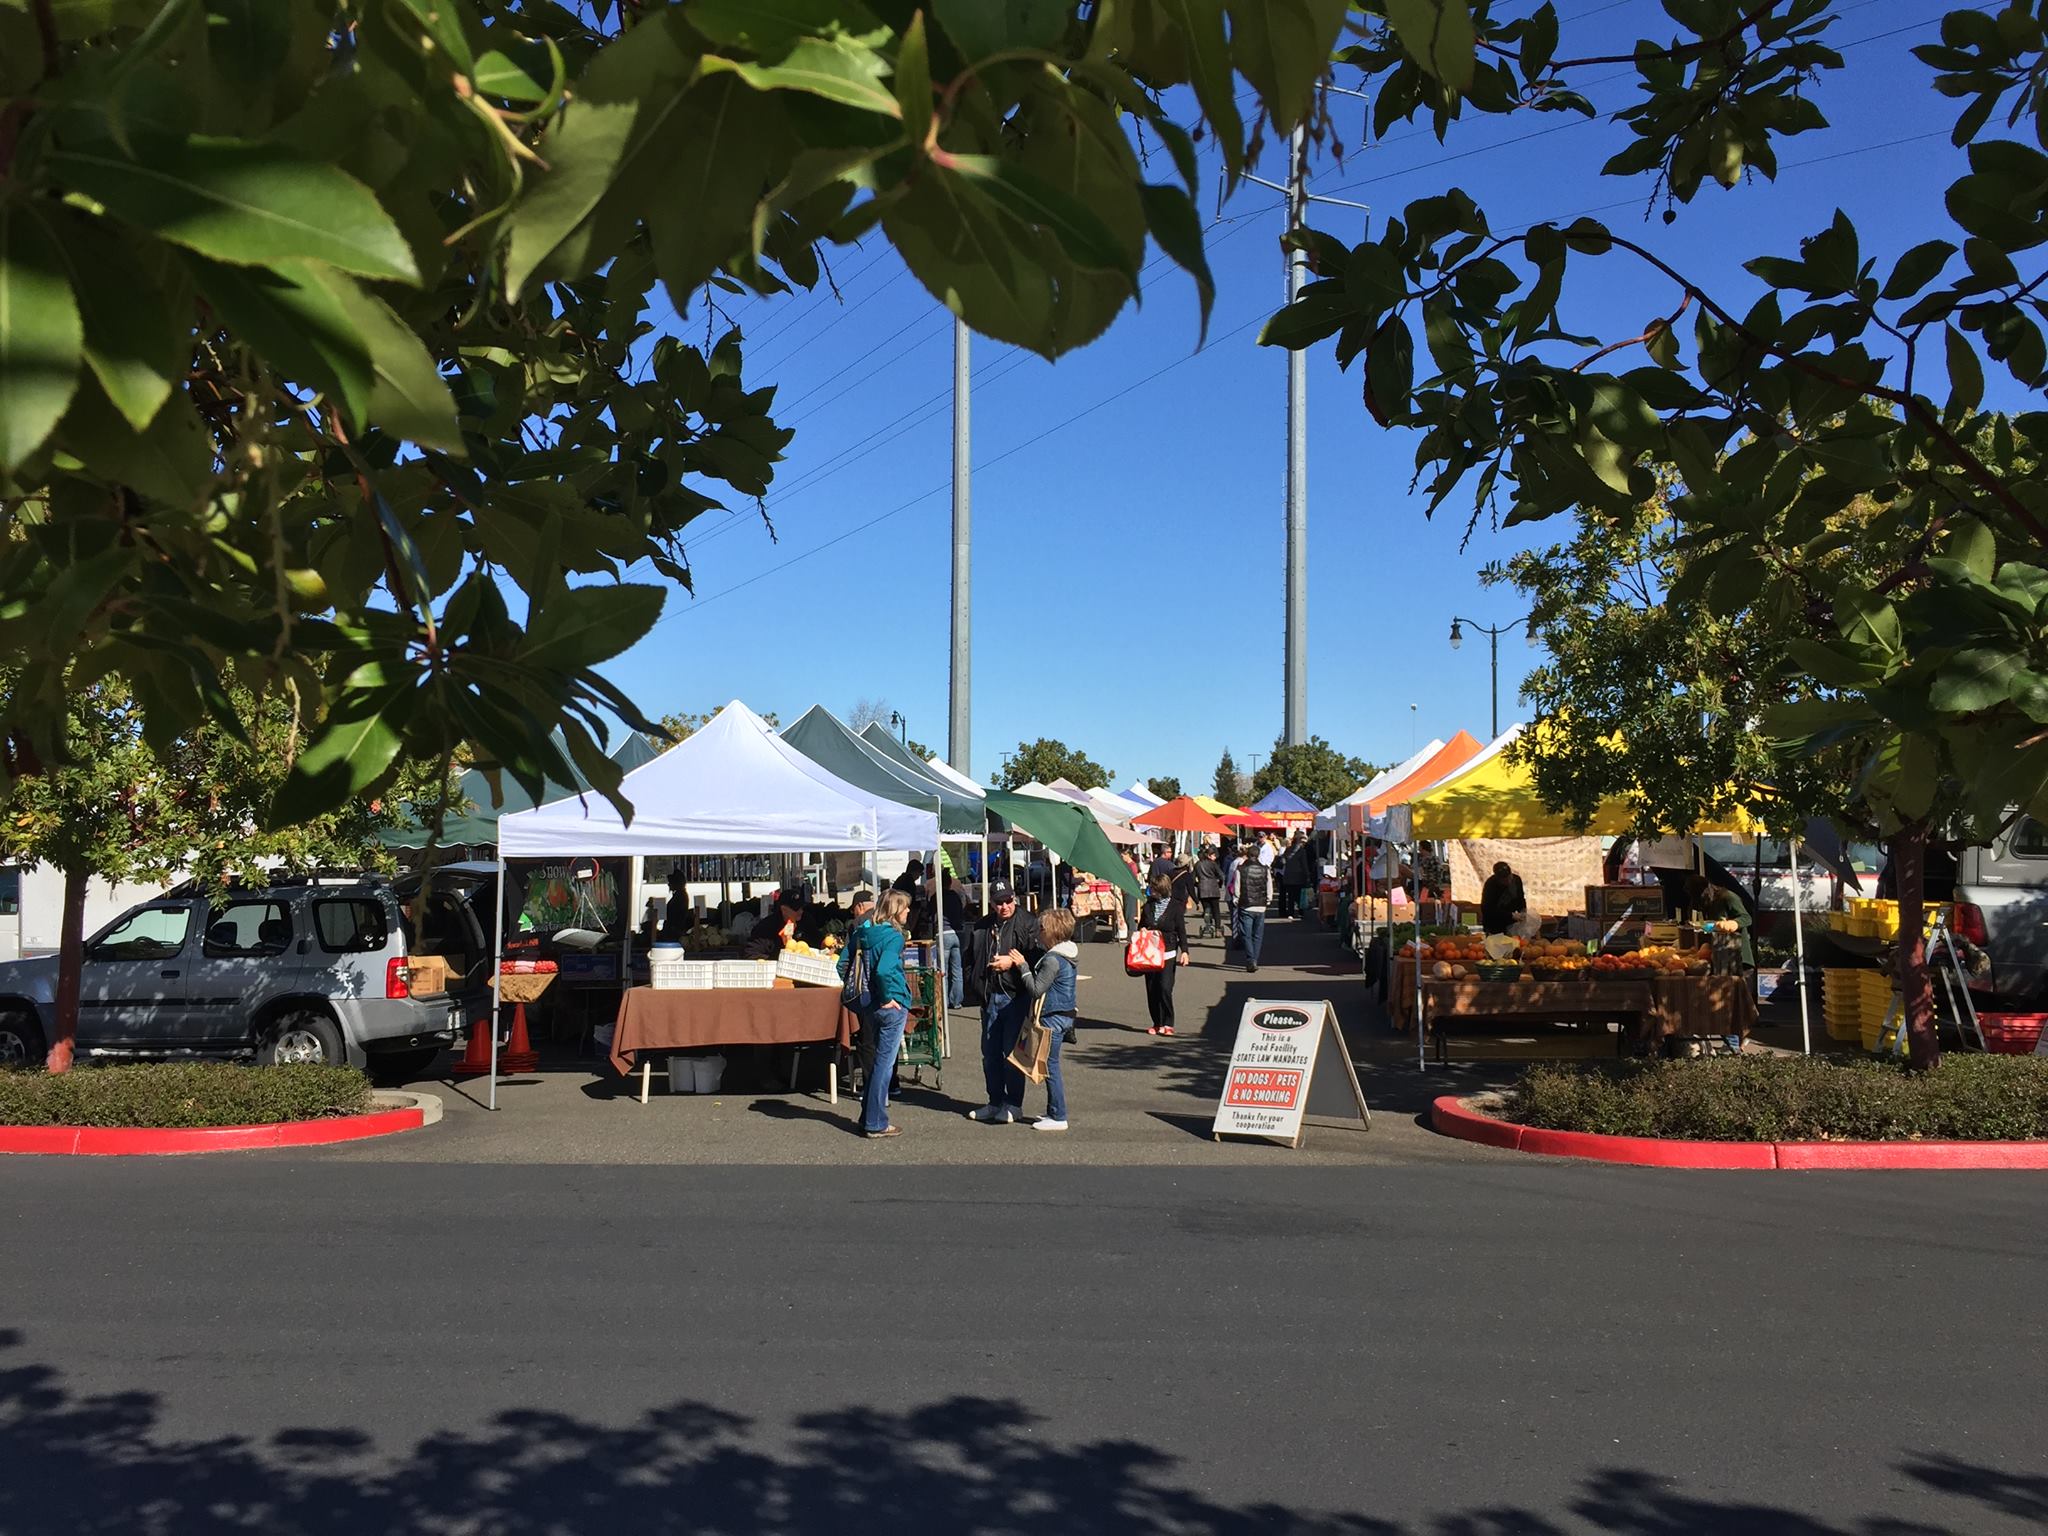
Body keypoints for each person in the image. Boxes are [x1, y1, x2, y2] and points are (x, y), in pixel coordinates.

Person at [963, 883, 1041, 1123]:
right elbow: (969, 958)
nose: (1004, 906)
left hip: (1016, 997)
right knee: (990, 1054)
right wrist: (974, 983)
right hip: (989, 996)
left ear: (1014, 898)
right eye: (999, 902)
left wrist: (1013, 963)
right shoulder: (982, 925)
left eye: (1008, 900)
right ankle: (994, 1101)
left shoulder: (1028, 923)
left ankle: (1014, 1104)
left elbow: (1038, 958)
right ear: (991, 903)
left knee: (1011, 1053)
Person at [1012, 907, 1081, 1130]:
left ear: (1052, 931)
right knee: (1050, 1064)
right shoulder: (1068, 954)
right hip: (1065, 1014)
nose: (1039, 932)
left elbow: (1036, 989)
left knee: (1050, 1066)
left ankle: (1059, 1116)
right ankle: (1053, 1111)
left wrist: (1022, 966)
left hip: (1053, 1016)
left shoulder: (1053, 960)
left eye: (1042, 928)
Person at [856, 890, 916, 1138]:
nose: (909, 911)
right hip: (890, 1004)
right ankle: (876, 1122)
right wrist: (888, 996)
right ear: (895, 910)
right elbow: (883, 970)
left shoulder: (864, 931)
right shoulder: (893, 937)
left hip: (869, 1004)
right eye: (905, 907)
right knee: (884, 1064)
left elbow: (842, 963)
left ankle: (868, 1116)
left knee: (878, 1062)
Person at [1137, 869, 1192, 1036]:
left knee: (1165, 988)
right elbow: (1142, 925)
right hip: (1150, 953)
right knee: (1152, 989)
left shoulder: (1175, 907)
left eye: (1153, 888)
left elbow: (1181, 931)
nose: (1151, 891)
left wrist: (1185, 951)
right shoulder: (1148, 906)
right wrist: (1143, 929)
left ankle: (1168, 1022)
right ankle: (1157, 1022)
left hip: (1168, 952)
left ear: (1161, 889)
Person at [1231, 843, 1272, 973]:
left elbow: (1237, 887)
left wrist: (1236, 899)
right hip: (1261, 905)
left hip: (1246, 905)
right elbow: (1269, 886)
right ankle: (1254, 959)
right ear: (1258, 855)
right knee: (1258, 935)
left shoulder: (1240, 869)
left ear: (1248, 855)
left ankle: (1250, 959)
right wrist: (1268, 900)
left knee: (1246, 934)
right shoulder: (1265, 869)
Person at [1480, 860, 1527, 936]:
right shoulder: (1490, 885)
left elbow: (1520, 898)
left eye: (1509, 877)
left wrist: (1523, 910)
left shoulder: (1516, 880)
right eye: (1504, 880)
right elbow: (1488, 909)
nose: (1508, 881)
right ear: (1498, 878)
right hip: (1494, 924)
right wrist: (1511, 915)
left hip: (1511, 923)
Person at [1195, 845, 1224, 938]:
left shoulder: (1198, 864)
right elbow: (1221, 876)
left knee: (1206, 908)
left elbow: (1193, 878)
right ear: (1208, 855)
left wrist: (1197, 884)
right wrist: (1220, 884)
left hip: (1203, 889)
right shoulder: (1213, 864)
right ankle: (1218, 928)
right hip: (1213, 888)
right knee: (1216, 910)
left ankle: (1208, 925)